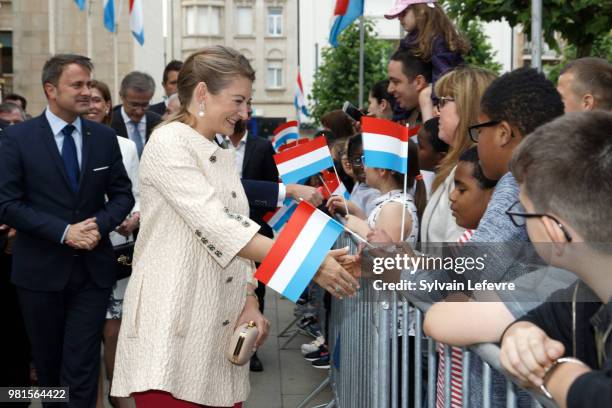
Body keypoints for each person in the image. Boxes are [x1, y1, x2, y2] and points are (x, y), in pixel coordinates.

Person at [110, 46, 357, 408]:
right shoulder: (168, 144)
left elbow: (238, 227)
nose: (246, 112)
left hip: (219, 330)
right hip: (172, 329)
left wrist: (249, 302)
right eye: (238, 100)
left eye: (248, 101)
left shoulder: (217, 148)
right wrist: (311, 262)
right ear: (201, 94)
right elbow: (218, 226)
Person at [0, 54, 134, 407]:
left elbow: (122, 194)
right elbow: (8, 204)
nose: (88, 92)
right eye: (78, 85)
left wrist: (96, 226)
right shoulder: (18, 139)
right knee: (48, 367)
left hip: (92, 273)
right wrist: (64, 232)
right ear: (50, 89)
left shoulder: (104, 137)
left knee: (81, 363)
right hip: (39, 273)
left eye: (90, 84)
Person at [500, 111, 612, 408]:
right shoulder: (585, 294)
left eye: (524, 212)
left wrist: (553, 373)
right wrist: (520, 334)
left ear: (554, 231)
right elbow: (537, 321)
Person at [424, 146, 497, 408]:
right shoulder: (464, 243)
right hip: (452, 387)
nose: (452, 197)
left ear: (494, 197)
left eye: (462, 189)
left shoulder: (480, 248)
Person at [87, 79, 140, 408]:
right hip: (78, 252)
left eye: (98, 99)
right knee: (86, 336)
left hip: (118, 250)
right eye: (87, 98)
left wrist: (133, 217)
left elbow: (136, 195)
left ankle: (118, 398)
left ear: (109, 106)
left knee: (113, 334)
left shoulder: (126, 146)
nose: (92, 104)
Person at [225, 103, 278, 373]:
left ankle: (252, 347)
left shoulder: (261, 147)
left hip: (255, 229)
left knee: (256, 290)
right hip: (221, 230)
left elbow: (272, 186)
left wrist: (250, 214)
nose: (241, 117)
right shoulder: (215, 145)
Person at [421, 66, 497, 243]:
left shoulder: (476, 172)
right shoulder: (456, 166)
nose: (436, 111)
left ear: (466, 106)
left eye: (443, 102)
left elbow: (456, 262)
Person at [385, 0, 468, 88]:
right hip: (418, 91)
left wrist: (435, 98)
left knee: (425, 95)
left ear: (421, 10)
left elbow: (444, 77)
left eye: (404, 13)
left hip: (442, 93)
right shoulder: (409, 41)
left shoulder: (438, 41)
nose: (399, 18)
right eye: (398, 15)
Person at [111, 71, 162, 157]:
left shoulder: (159, 124)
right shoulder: (109, 123)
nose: (139, 111)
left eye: (145, 105)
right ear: (122, 97)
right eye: (134, 105)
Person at [387, 48, 434, 125]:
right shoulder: (404, 117)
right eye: (389, 82)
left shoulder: (441, 121)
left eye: (395, 82)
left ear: (419, 82)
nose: (389, 89)